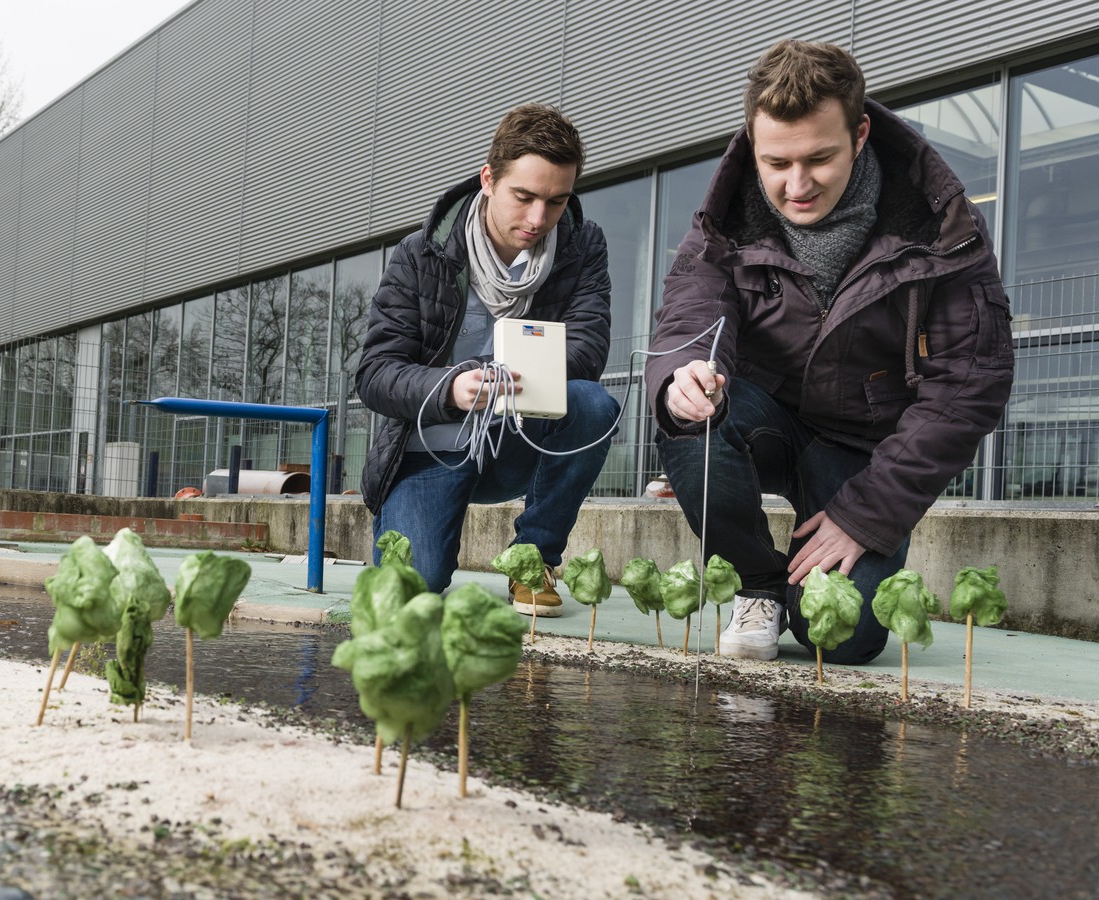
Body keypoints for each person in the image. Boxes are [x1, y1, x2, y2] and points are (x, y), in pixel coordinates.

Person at [648, 40, 1015, 663]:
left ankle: (807, 576)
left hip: (866, 455)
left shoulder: (941, 227)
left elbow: (967, 385)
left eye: (819, 158)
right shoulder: (722, 219)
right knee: (688, 416)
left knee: (840, 639)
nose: (796, 185)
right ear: (752, 143)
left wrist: (867, 513)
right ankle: (758, 582)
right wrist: (680, 376)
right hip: (766, 422)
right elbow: (692, 309)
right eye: (776, 162)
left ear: (861, 132)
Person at [358, 103, 617, 612]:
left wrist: (516, 371)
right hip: (432, 443)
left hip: (518, 435)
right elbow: (375, 374)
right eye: (524, 197)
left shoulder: (582, 247)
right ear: (488, 180)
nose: (539, 219)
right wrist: (451, 388)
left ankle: (532, 558)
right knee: (415, 588)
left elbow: (588, 350)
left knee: (592, 404)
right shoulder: (421, 253)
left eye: (556, 202)